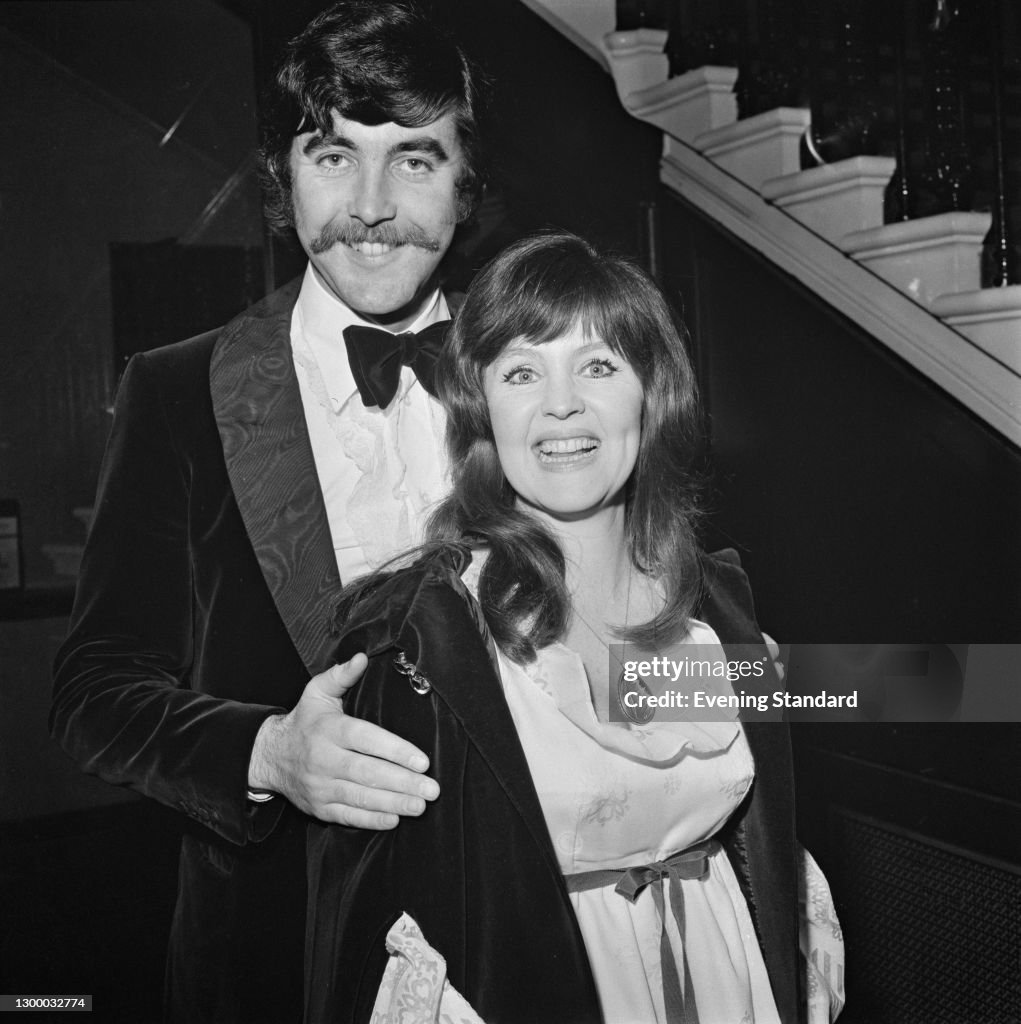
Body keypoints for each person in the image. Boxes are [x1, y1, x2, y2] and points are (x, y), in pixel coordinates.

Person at [50, 3, 487, 1021]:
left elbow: (650, 657)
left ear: (464, 186)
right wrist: (266, 754)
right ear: (283, 182)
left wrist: (717, 726)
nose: (371, 207)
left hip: (520, 943)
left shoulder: (553, 381)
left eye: (414, 161)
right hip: (272, 961)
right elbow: (91, 691)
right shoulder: (173, 391)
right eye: (334, 156)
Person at [304, 232, 844, 1024]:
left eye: (597, 365)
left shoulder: (711, 608)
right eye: (522, 372)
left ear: (649, 392)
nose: (562, 404)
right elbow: (366, 918)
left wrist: (792, 689)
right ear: (479, 405)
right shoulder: (427, 633)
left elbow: (922, 687)